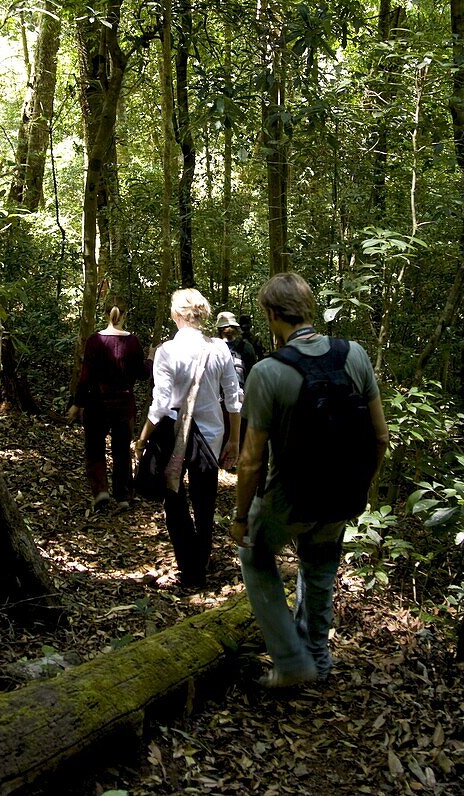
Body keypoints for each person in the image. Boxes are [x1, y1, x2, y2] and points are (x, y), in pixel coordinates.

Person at [231, 272, 389, 689]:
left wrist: (241, 516)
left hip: (289, 499)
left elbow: (250, 462)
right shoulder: (354, 354)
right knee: (319, 565)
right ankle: (318, 655)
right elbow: (380, 436)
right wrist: (362, 487)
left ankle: (291, 659)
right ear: (308, 308)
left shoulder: (266, 371)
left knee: (255, 557)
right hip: (342, 494)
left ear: (270, 314)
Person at [136, 288, 241, 589]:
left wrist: (143, 438)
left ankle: (189, 565)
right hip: (211, 434)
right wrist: (234, 439)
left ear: (175, 314)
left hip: (173, 432)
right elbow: (233, 398)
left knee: (173, 496)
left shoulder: (166, 350)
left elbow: (160, 403)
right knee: (205, 499)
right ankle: (201, 562)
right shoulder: (220, 348)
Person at [67, 298, 150, 512]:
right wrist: (150, 358)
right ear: (125, 315)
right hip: (123, 405)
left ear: (105, 315)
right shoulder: (132, 342)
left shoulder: (95, 341)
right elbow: (142, 374)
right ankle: (122, 495)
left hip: (96, 404)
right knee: (122, 450)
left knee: (94, 448)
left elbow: (85, 377)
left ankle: (101, 492)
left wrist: (77, 404)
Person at [216, 310, 257, 394]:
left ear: (219, 329)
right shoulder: (246, 346)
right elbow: (253, 373)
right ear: (236, 328)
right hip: (242, 395)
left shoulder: (213, 347)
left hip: (218, 397)